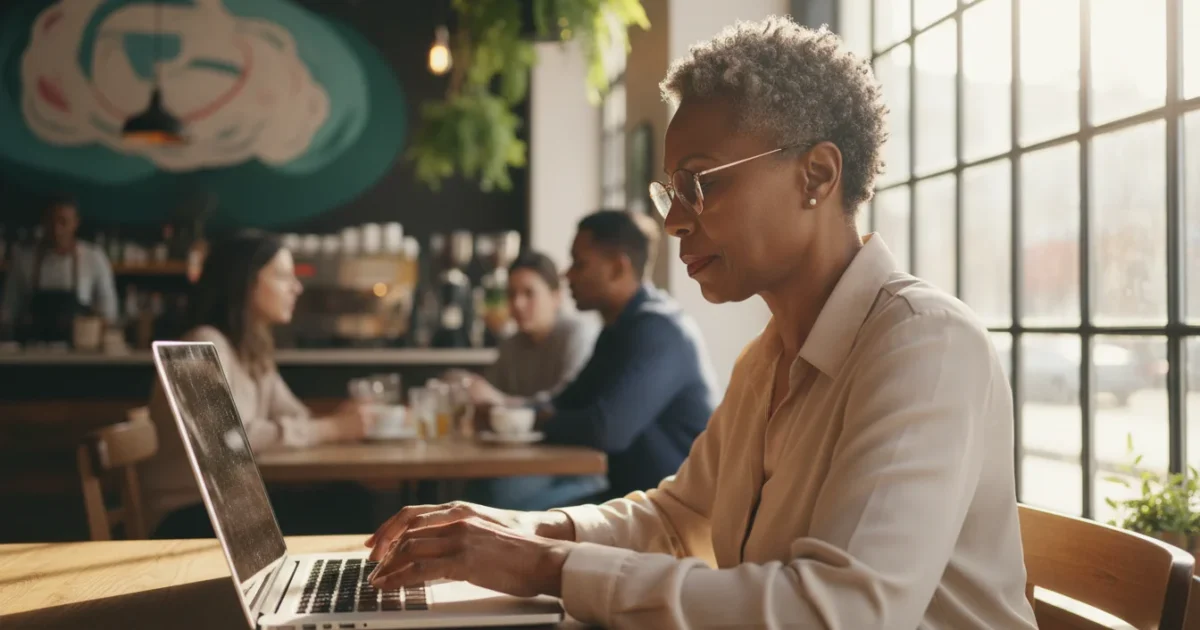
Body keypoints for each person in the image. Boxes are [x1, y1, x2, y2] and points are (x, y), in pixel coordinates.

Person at [363, 17, 1037, 630]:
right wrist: (514, 530)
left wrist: (545, 567)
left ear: (817, 176)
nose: (675, 220)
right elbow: (677, 518)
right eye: (671, 191)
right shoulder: (769, 358)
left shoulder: (924, 345)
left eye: (702, 182)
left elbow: (843, 612)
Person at [142, 231, 373, 539]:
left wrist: (339, 421)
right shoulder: (202, 344)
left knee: (352, 498)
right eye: (282, 276)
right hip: (188, 516)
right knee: (352, 507)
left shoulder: (251, 350)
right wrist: (333, 428)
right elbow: (231, 443)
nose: (297, 287)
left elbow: (296, 415)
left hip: (231, 506)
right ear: (244, 282)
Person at [449, 250, 598, 408]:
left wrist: (502, 402)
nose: (517, 304)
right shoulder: (511, 345)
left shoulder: (578, 335)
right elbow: (490, 391)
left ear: (556, 297)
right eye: (512, 294)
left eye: (529, 293)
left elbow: (569, 401)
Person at [0, 196, 118, 341]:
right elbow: (8, 310)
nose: (56, 229)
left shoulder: (94, 258)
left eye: (63, 222)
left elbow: (108, 312)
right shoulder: (23, 259)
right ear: (43, 222)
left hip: (80, 352)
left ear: (75, 223)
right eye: (51, 222)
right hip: (32, 350)